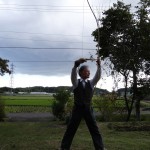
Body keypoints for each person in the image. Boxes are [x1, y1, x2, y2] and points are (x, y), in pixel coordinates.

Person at [60, 58, 104, 150]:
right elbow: (73, 75)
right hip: (77, 110)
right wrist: (76, 65)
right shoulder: (76, 83)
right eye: (87, 71)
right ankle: (64, 148)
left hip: (88, 109)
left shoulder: (91, 83)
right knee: (70, 130)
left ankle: (100, 148)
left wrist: (99, 66)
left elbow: (98, 76)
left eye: (89, 72)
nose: (89, 73)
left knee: (95, 130)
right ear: (81, 73)